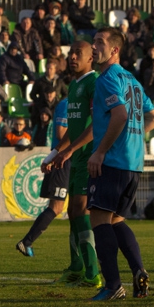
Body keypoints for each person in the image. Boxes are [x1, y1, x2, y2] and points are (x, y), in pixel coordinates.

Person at [83, 28, 154, 300]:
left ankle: (113, 285)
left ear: (114, 50)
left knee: (99, 219)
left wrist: (100, 152)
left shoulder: (107, 78)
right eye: (93, 42)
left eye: (99, 43)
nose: (93, 47)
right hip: (133, 163)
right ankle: (139, 271)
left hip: (113, 161)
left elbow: (119, 115)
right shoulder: (133, 81)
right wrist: (133, 135)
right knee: (117, 220)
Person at [42, 42, 102, 288]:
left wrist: (71, 150)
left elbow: (95, 124)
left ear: (91, 58)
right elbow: (75, 127)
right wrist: (58, 150)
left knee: (81, 210)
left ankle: (93, 272)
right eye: (71, 54)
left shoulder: (93, 83)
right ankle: (77, 267)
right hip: (76, 157)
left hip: (89, 157)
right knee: (72, 212)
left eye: (78, 53)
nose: (73, 57)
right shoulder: (75, 85)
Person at [16, 97, 68, 257]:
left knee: (78, 209)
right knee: (57, 207)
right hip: (63, 159)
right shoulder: (68, 104)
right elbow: (60, 133)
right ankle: (27, 241)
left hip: (68, 158)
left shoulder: (70, 103)